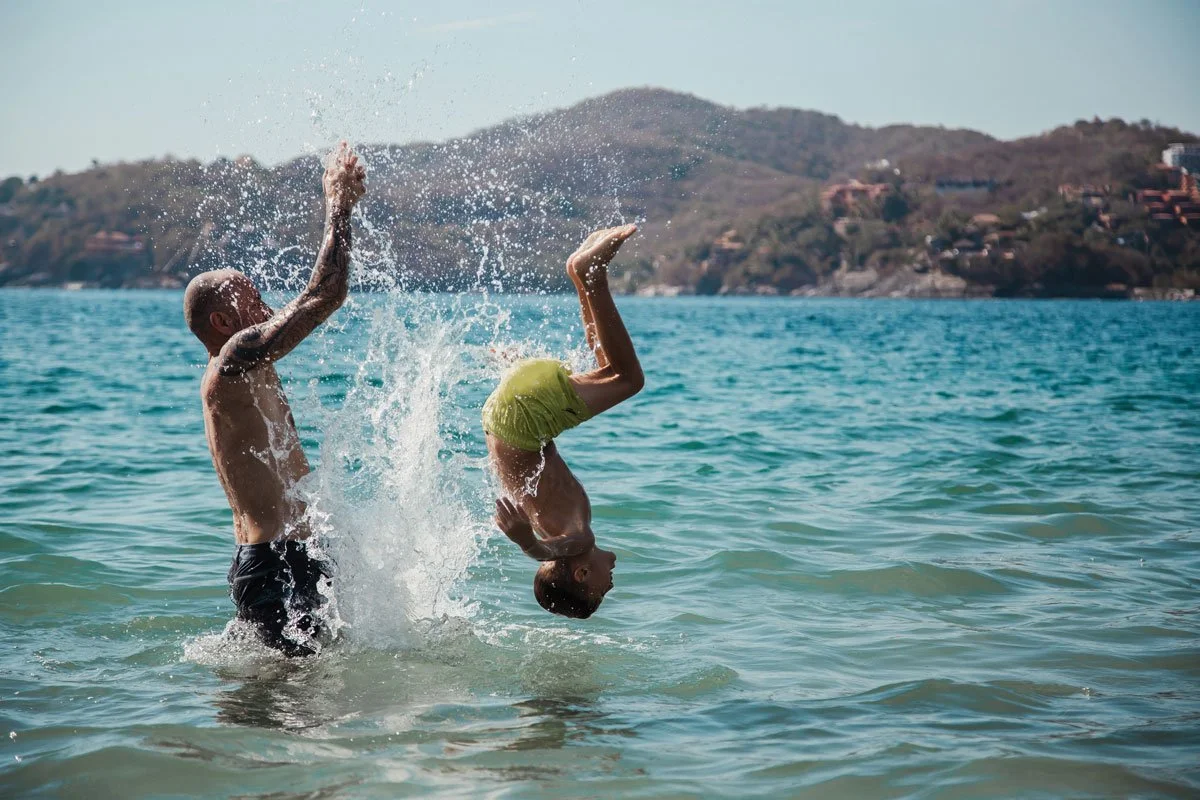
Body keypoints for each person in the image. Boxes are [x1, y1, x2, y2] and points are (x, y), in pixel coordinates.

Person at [183, 143, 366, 656]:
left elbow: (315, 301)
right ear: (223, 323)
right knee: (296, 706)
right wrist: (338, 205)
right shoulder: (234, 359)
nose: (264, 304)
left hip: (282, 558)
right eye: (251, 298)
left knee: (294, 703)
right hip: (276, 562)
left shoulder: (247, 367)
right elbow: (324, 296)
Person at [486, 224, 644, 619]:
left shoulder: (573, 540)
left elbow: (547, 552)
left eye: (600, 592)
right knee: (606, 368)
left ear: (582, 572)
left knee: (628, 380)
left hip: (521, 422)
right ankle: (582, 274)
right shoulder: (553, 521)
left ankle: (592, 273)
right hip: (505, 420)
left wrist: (529, 547)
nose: (611, 585)